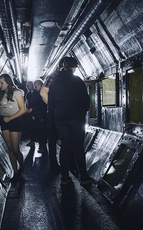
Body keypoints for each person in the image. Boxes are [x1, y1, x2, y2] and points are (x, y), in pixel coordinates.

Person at [48, 57, 93, 186]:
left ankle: (65, 177)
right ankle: (84, 176)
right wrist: (82, 111)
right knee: (78, 147)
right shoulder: (77, 80)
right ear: (73, 68)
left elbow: (50, 104)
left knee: (65, 146)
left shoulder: (55, 82)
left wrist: (58, 112)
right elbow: (86, 100)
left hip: (61, 119)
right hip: (77, 118)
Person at [0, 74, 26, 180]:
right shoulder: (1, 94)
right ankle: (15, 172)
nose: (0, 85)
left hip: (15, 121)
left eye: (2, 83)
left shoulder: (18, 92)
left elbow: (23, 110)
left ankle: (21, 165)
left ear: (8, 82)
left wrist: (10, 118)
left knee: (16, 149)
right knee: (10, 149)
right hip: (4, 121)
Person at [40, 57, 68, 171]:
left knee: (55, 138)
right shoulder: (55, 75)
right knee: (54, 138)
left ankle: (58, 163)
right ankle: (55, 163)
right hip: (55, 112)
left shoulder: (63, 76)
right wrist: (53, 107)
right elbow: (43, 92)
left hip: (59, 111)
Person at [32, 79, 48, 154]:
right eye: (35, 85)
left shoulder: (43, 93)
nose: (35, 86)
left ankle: (43, 146)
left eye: (37, 85)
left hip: (43, 115)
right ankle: (41, 146)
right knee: (39, 131)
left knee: (43, 132)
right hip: (37, 116)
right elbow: (34, 105)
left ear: (41, 85)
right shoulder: (35, 93)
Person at [24, 81, 36, 147]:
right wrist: (26, 108)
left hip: (35, 112)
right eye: (27, 86)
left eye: (29, 85)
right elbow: (26, 102)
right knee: (30, 127)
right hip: (29, 112)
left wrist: (33, 109)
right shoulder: (28, 94)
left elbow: (38, 103)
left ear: (32, 85)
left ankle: (40, 143)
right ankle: (32, 141)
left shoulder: (37, 93)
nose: (28, 87)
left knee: (36, 127)